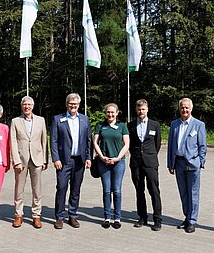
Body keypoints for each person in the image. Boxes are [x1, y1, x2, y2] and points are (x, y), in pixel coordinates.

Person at [50, 93, 92, 229]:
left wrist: (88, 157)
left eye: (75, 104)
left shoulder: (85, 119)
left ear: (79, 105)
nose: (73, 106)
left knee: (75, 188)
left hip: (79, 160)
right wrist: (55, 158)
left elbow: (88, 141)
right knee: (61, 187)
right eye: (70, 103)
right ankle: (59, 217)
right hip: (63, 161)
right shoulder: (58, 119)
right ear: (66, 104)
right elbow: (53, 141)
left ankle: (73, 215)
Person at [167, 97, 207, 233]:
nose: (184, 110)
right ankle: (187, 216)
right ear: (179, 109)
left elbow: (203, 146)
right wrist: (170, 163)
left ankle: (192, 220)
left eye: (186, 107)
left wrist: (200, 162)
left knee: (193, 192)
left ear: (191, 108)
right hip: (178, 163)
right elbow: (171, 145)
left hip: (192, 163)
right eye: (182, 107)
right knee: (183, 192)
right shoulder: (174, 124)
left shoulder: (199, 124)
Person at [10, 96, 48, 229]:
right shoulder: (15, 121)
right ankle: (18, 214)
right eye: (24, 104)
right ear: (21, 106)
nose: (27, 107)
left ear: (33, 106)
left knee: (37, 190)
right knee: (19, 189)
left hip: (37, 159)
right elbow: (13, 141)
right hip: (21, 160)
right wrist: (16, 160)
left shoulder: (41, 120)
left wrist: (44, 160)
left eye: (29, 104)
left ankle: (36, 215)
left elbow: (44, 141)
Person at [127, 99, 162, 231]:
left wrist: (150, 155)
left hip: (151, 162)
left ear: (147, 110)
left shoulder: (155, 125)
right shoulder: (130, 125)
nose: (141, 111)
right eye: (139, 109)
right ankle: (142, 217)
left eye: (143, 109)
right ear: (136, 110)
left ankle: (157, 219)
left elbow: (157, 144)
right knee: (139, 191)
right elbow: (129, 144)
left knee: (154, 191)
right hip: (136, 162)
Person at [93, 103, 129, 229]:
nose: (110, 114)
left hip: (119, 162)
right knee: (106, 190)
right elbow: (95, 143)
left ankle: (117, 218)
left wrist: (118, 158)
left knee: (117, 190)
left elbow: (126, 144)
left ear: (117, 113)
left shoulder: (122, 126)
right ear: (105, 113)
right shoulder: (100, 126)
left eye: (113, 112)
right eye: (108, 112)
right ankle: (107, 217)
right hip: (104, 163)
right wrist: (102, 157)